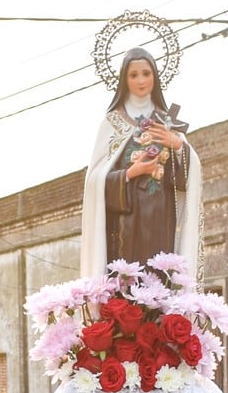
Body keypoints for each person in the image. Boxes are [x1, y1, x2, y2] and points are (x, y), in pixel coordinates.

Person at [84, 45, 199, 270]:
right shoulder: (112, 124)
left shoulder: (167, 122)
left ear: (155, 77)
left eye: (146, 74)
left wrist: (176, 144)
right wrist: (130, 173)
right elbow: (94, 182)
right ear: (124, 79)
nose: (141, 81)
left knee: (160, 272)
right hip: (126, 218)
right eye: (133, 75)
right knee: (128, 274)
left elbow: (187, 178)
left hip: (161, 214)